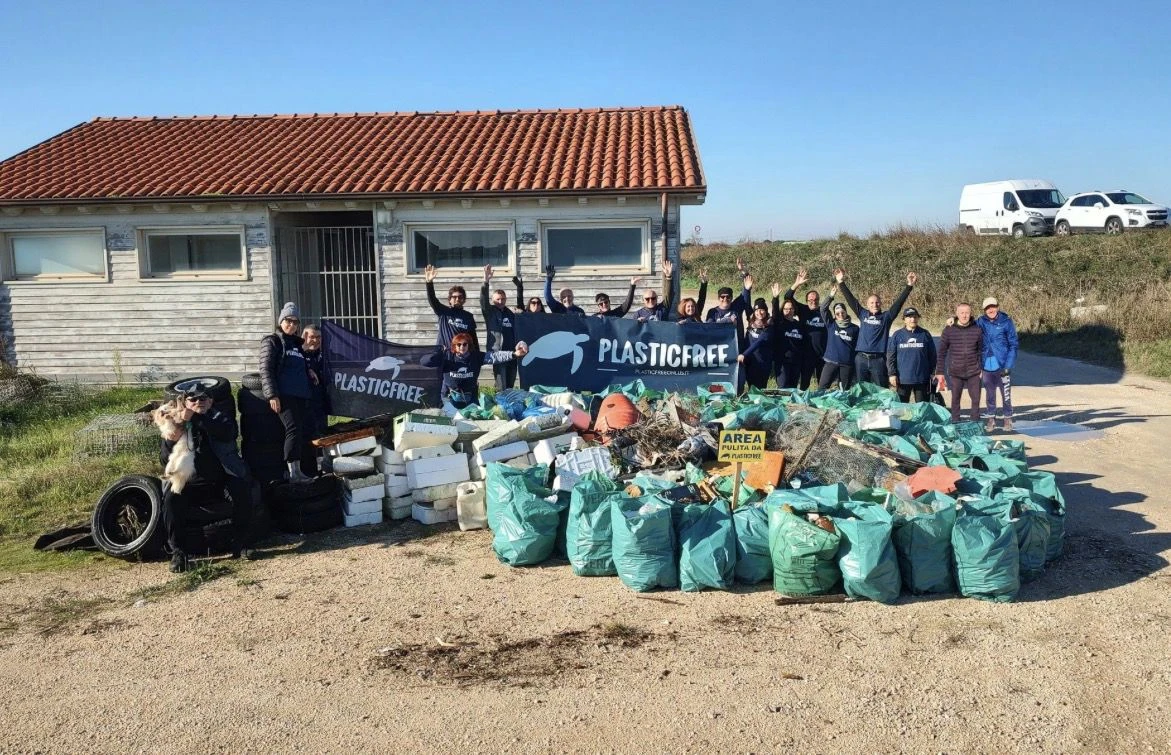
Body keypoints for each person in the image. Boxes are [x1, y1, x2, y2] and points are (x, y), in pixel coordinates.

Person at [160, 386, 259, 572]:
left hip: (220, 479)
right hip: (188, 482)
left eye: (203, 398)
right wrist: (170, 440)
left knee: (242, 491)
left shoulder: (219, 417)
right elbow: (165, 460)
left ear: (211, 401)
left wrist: (195, 418)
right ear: (185, 403)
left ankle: (241, 544)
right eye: (193, 399)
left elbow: (226, 433)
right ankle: (178, 552)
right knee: (171, 500)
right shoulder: (176, 424)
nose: (198, 402)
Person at [259, 303, 315, 483]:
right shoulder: (273, 341)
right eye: (288, 321)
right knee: (293, 429)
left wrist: (309, 371)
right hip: (284, 395)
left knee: (299, 431)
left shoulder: (297, 345)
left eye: (295, 322)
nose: (292, 325)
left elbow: (299, 365)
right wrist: (272, 395)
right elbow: (265, 369)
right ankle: (292, 472)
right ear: (281, 321)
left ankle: (298, 471)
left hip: (301, 395)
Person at [837, 268, 917, 387]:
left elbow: (898, 304)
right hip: (861, 359)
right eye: (872, 303)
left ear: (881, 304)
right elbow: (851, 300)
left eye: (877, 302)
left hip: (878, 360)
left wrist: (909, 286)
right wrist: (841, 282)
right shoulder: (863, 314)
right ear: (867, 304)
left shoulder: (886, 317)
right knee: (861, 390)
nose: (875, 305)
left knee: (881, 390)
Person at [422, 333, 529, 411]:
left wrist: (514, 354)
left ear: (468, 345)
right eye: (458, 344)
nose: (462, 347)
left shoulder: (476, 356)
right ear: (454, 346)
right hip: (449, 397)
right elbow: (425, 362)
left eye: (465, 344)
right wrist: (439, 353)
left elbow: (495, 356)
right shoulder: (447, 356)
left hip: (470, 397)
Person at [935, 302, 984, 423]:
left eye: (967, 312)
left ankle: (975, 423)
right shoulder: (948, 330)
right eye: (962, 312)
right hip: (956, 371)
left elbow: (981, 351)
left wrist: (982, 368)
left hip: (974, 371)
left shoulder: (977, 330)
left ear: (971, 313)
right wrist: (940, 371)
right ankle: (955, 421)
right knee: (955, 399)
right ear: (957, 314)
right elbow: (942, 352)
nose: (964, 315)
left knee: (976, 400)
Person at [977, 296, 1019, 432]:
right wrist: (953, 320)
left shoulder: (1006, 322)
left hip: (1002, 364)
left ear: (998, 307)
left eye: (993, 307)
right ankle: (991, 419)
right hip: (986, 365)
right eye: (988, 308)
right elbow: (966, 324)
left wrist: (1008, 365)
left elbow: (1013, 344)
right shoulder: (980, 322)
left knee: (1006, 394)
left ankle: (1007, 419)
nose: (991, 310)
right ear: (984, 310)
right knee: (990, 395)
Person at [785, 268, 829, 389]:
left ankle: (820, 404)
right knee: (804, 383)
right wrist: (797, 284)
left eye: (815, 300)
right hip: (806, 354)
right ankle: (803, 403)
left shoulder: (824, 312)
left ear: (819, 300)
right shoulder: (803, 310)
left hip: (822, 354)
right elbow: (787, 297)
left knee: (823, 384)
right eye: (810, 300)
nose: (813, 302)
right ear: (806, 301)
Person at [886, 308, 937, 403]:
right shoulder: (897, 335)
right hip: (903, 379)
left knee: (922, 407)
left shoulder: (925, 334)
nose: (913, 319)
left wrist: (933, 373)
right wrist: (892, 374)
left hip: (922, 378)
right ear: (904, 319)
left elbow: (932, 355)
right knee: (901, 408)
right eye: (909, 317)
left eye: (915, 317)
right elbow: (890, 356)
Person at [480, 265, 519, 389]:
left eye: (502, 299)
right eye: (497, 299)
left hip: (512, 353)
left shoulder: (511, 314)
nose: (500, 301)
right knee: (501, 386)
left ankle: (509, 406)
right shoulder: (489, 312)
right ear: (493, 300)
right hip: (497, 354)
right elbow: (483, 300)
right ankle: (500, 407)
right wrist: (486, 281)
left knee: (510, 385)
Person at [300, 324, 331, 471]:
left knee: (322, 434)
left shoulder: (324, 355)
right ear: (304, 337)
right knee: (306, 436)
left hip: (320, 402)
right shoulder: (297, 354)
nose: (315, 340)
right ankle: (307, 469)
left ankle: (322, 468)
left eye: (318, 337)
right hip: (303, 403)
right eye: (312, 337)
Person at [424, 264, 478, 349]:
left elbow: (473, 339)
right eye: (454, 297)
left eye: (460, 297)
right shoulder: (443, 312)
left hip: (460, 355)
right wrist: (429, 283)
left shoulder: (468, 316)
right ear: (449, 299)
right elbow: (432, 299)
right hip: (444, 355)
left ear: (464, 300)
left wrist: (476, 358)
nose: (457, 299)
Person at [818, 290, 858, 390]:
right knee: (822, 387)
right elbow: (823, 309)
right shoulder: (831, 324)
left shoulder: (855, 328)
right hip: (831, 362)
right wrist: (831, 296)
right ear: (834, 315)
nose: (840, 314)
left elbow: (857, 347)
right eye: (837, 313)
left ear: (846, 312)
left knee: (845, 390)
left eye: (842, 312)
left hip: (847, 364)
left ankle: (842, 405)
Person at [772, 283, 809, 389]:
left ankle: (791, 406)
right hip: (782, 361)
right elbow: (775, 312)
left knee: (793, 387)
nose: (788, 311)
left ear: (794, 310)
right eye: (786, 309)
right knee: (783, 386)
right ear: (782, 310)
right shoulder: (780, 323)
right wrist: (775, 298)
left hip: (796, 361)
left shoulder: (799, 325)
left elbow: (804, 343)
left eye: (791, 308)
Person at [737, 303, 774, 390]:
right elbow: (747, 303)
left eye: (762, 310)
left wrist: (744, 354)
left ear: (766, 311)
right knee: (751, 387)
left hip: (762, 363)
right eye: (757, 310)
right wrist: (747, 289)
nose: (759, 313)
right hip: (749, 362)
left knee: (759, 390)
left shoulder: (770, 325)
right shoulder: (752, 322)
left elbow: (759, 342)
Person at [706, 258, 750, 326]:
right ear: (718, 298)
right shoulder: (713, 312)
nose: (725, 299)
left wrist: (744, 273)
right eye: (722, 297)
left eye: (728, 296)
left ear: (732, 298)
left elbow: (746, 290)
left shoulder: (737, 307)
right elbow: (709, 328)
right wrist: (728, 320)